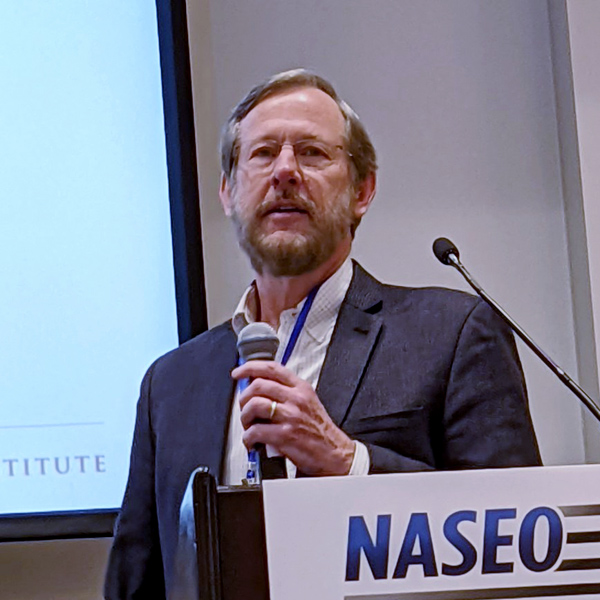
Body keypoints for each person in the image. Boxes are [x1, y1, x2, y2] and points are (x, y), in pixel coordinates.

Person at [104, 69, 541, 598]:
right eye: (263, 153)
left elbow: (516, 545)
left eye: (312, 153)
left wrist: (347, 463)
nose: (285, 171)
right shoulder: (170, 384)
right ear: (227, 192)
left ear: (362, 190)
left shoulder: (453, 333)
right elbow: (136, 584)